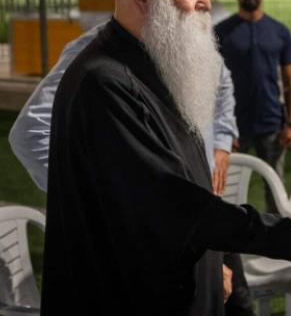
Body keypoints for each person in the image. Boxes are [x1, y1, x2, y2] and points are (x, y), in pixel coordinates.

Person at [40, 0, 291, 316]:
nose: (205, 1)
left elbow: (189, 188)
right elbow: (171, 205)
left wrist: (212, 261)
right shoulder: (104, 82)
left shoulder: (155, 66)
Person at [9, 20, 256, 316]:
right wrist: (101, 199)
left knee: (240, 304)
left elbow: (222, 81)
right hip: (158, 232)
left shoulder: (192, 39)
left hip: (205, 212)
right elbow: (30, 133)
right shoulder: (99, 52)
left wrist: (223, 141)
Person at [214, 0, 291, 213]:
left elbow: (290, 82)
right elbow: (211, 85)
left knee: (275, 192)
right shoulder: (220, 33)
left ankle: (277, 249)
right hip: (233, 128)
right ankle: (228, 250)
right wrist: (220, 129)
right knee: (227, 193)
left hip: (271, 124)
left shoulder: (280, 32)